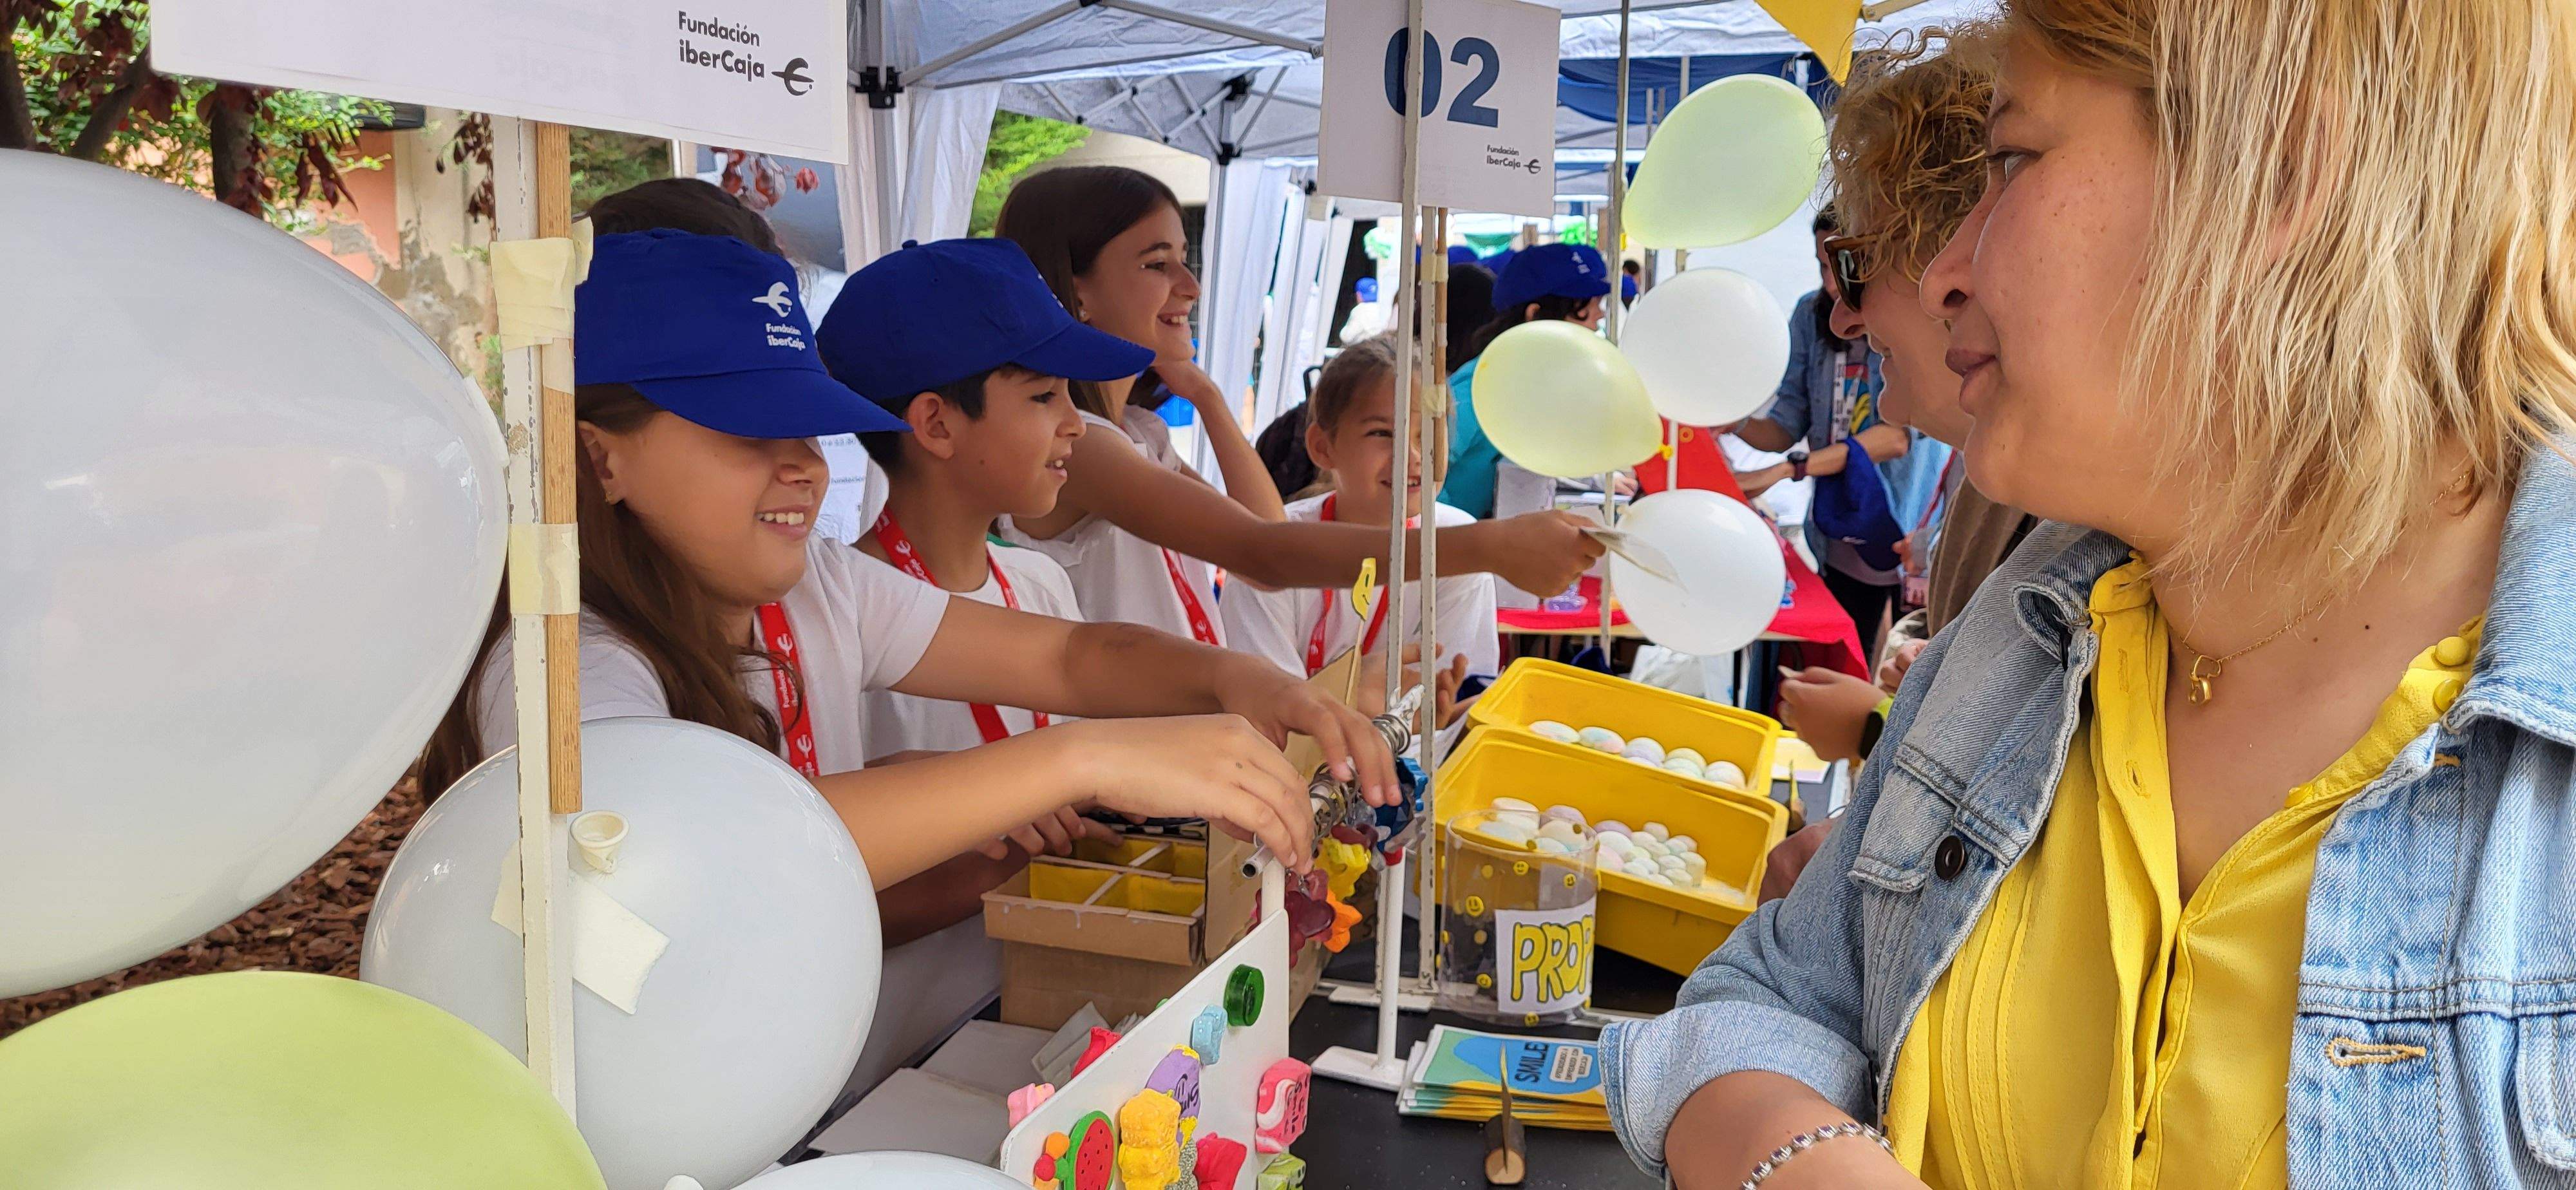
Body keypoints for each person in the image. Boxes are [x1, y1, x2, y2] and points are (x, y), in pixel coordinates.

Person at [1606, 2, 2576, 1186]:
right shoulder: (2028, 630)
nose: (1948, 269)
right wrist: (1796, 1149)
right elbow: (1765, 996)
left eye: (2011, 160)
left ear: (2273, 169)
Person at [419, 229, 1399, 895]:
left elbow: (1071, 658)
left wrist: (1243, 680)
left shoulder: (822, 588)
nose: (802, 464)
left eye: (809, 424)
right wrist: (1086, 756)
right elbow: (698, 847)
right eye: (750, 428)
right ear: (601, 454)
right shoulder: (561, 669)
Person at [991, 165, 1603, 643]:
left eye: (1186, 258)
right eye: (1158, 264)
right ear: (1077, 289)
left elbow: (1263, 539)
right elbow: (1267, 555)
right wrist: (1490, 547)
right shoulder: (1081, 444)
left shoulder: (1137, 433)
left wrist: (1205, 395)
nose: (1191, 285)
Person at [1762, 35, 2039, 900]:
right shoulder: (1999, 480)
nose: (1843, 314)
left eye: (1856, 263)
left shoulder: (2071, 505)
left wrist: (1883, 735)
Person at [1220, 334, 1497, 712]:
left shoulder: (1456, 546)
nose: (1414, 457)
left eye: (1430, 433)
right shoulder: (1271, 553)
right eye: (1382, 433)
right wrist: (1352, 700)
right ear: (1322, 447)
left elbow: (1444, 706)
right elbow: (1265, 712)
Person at [1732, 211, 1925, 660]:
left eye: (1841, 265)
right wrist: (1734, 420)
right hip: (1838, 527)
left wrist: (1790, 469)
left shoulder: (1907, 318)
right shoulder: (1809, 315)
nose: (1831, 283)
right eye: (1821, 266)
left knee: (1905, 665)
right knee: (1845, 660)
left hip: (1904, 531)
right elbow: (1784, 426)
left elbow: (1896, 438)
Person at [1437, 241, 1611, 520]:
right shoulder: (1480, 386)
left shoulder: (1536, 384)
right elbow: (1423, 474)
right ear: (1535, 315)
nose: (1598, 320)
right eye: (1585, 311)